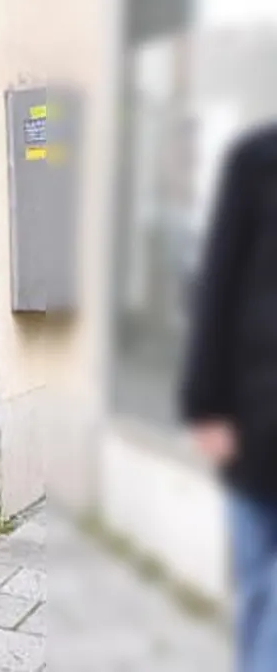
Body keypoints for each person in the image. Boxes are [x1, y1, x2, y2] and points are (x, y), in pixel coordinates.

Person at [179, 122, 277, 672]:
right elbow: (219, 282)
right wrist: (205, 404)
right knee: (258, 598)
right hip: (255, 424)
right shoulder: (257, 160)